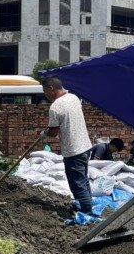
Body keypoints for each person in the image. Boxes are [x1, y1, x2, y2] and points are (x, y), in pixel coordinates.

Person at [38, 77, 95, 215]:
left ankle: (86, 212)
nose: (46, 96)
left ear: (51, 89)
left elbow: (53, 132)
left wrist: (44, 133)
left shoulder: (56, 107)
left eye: (45, 92)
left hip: (73, 150)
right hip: (85, 146)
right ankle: (87, 205)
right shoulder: (73, 97)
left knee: (77, 183)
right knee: (83, 179)